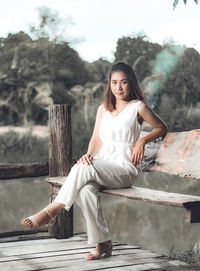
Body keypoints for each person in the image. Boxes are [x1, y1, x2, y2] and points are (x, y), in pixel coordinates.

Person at [21, 61, 168, 260]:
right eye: (115, 82)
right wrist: (89, 154)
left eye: (124, 82)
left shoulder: (138, 108)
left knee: (82, 170)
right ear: (110, 84)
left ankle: (53, 209)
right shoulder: (103, 109)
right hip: (102, 165)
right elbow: (96, 139)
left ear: (131, 84)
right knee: (85, 190)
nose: (119, 87)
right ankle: (104, 243)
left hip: (124, 169)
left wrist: (142, 140)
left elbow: (161, 127)